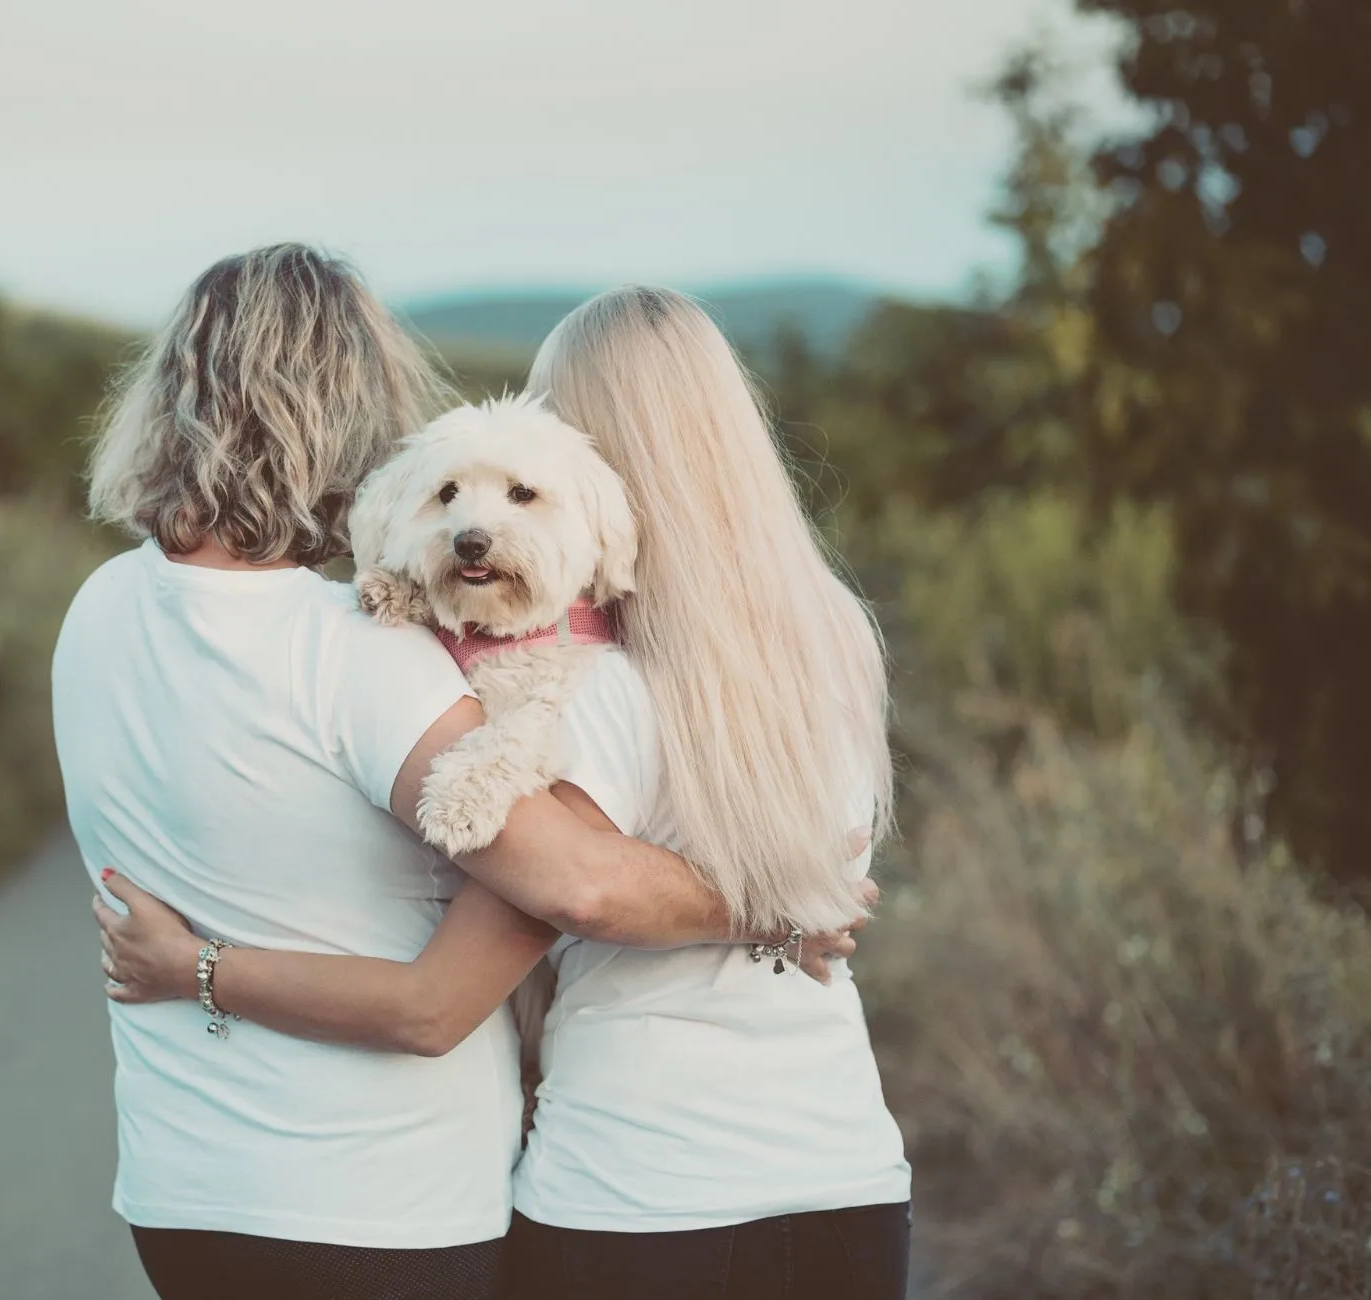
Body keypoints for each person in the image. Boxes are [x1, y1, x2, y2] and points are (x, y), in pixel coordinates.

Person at [97, 285, 911, 1299]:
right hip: (845, 1170)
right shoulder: (835, 627)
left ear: (597, 468)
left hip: (637, 1187)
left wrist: (200, 966)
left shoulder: (599, 688)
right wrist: (791, 900)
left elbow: (512, 941)